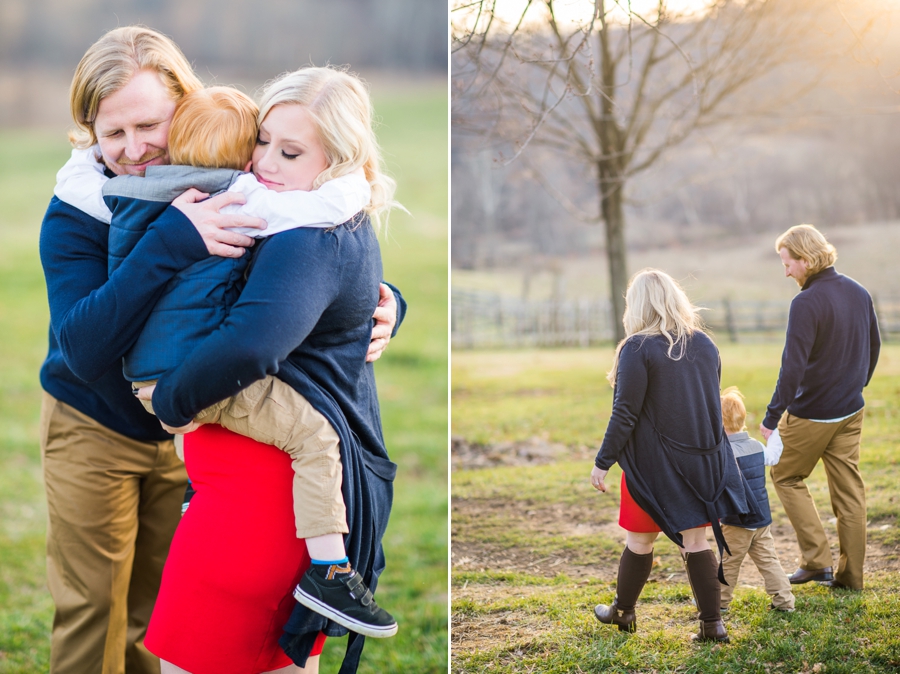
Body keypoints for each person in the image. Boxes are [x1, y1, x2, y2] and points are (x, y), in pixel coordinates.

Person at [39, 26, 399, 674]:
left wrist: (383, 300)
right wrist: (172, 240)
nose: (133, 149)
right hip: (99, 426)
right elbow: (83, 347)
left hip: (204, 421)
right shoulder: (80, 208)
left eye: (148, 124)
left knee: (167, 609)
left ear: (186, 104)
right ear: (90, 131)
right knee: (96, 611)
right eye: (111, 133)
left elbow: (295, 257)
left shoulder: (231, 165)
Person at [137, 66, 402, 674]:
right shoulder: (316, 215)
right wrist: (389, 302)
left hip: (253, 511)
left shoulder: (306, 235)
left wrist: (174, 402)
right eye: (262, 141)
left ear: (337, 157)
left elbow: (252, 342)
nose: (266, 163)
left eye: (290, 151)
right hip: (255, 505)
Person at [589, 269, 757, 643]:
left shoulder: (636, 348)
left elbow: (625, 413)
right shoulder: (706, 345)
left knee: (639, 542)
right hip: (704, 463)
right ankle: (712, 624)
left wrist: (603, 461)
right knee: (697, 543)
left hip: (651, 468)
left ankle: (623, 611)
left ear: (636, 305)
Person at [760, 224, 880, 591]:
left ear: (808, 260)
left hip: (812, 414)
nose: (786, 272)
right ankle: (851, 578)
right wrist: (856, 386)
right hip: (850, 410)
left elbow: (792, 367)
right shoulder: (858, 292)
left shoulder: (806, 302)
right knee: (850, 493)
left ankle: (816, 561)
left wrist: (771, 417)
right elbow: (874, 348)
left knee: (784, 475)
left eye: (789, 264)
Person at [718, 387, 795, 613]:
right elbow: (773, 456)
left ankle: (719, 602)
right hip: (761, 519)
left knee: (729, 562)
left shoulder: (723, 453)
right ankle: (784, 601)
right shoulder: (756, 446)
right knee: (769, 561)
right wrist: (774, 435)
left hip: (736, 520)